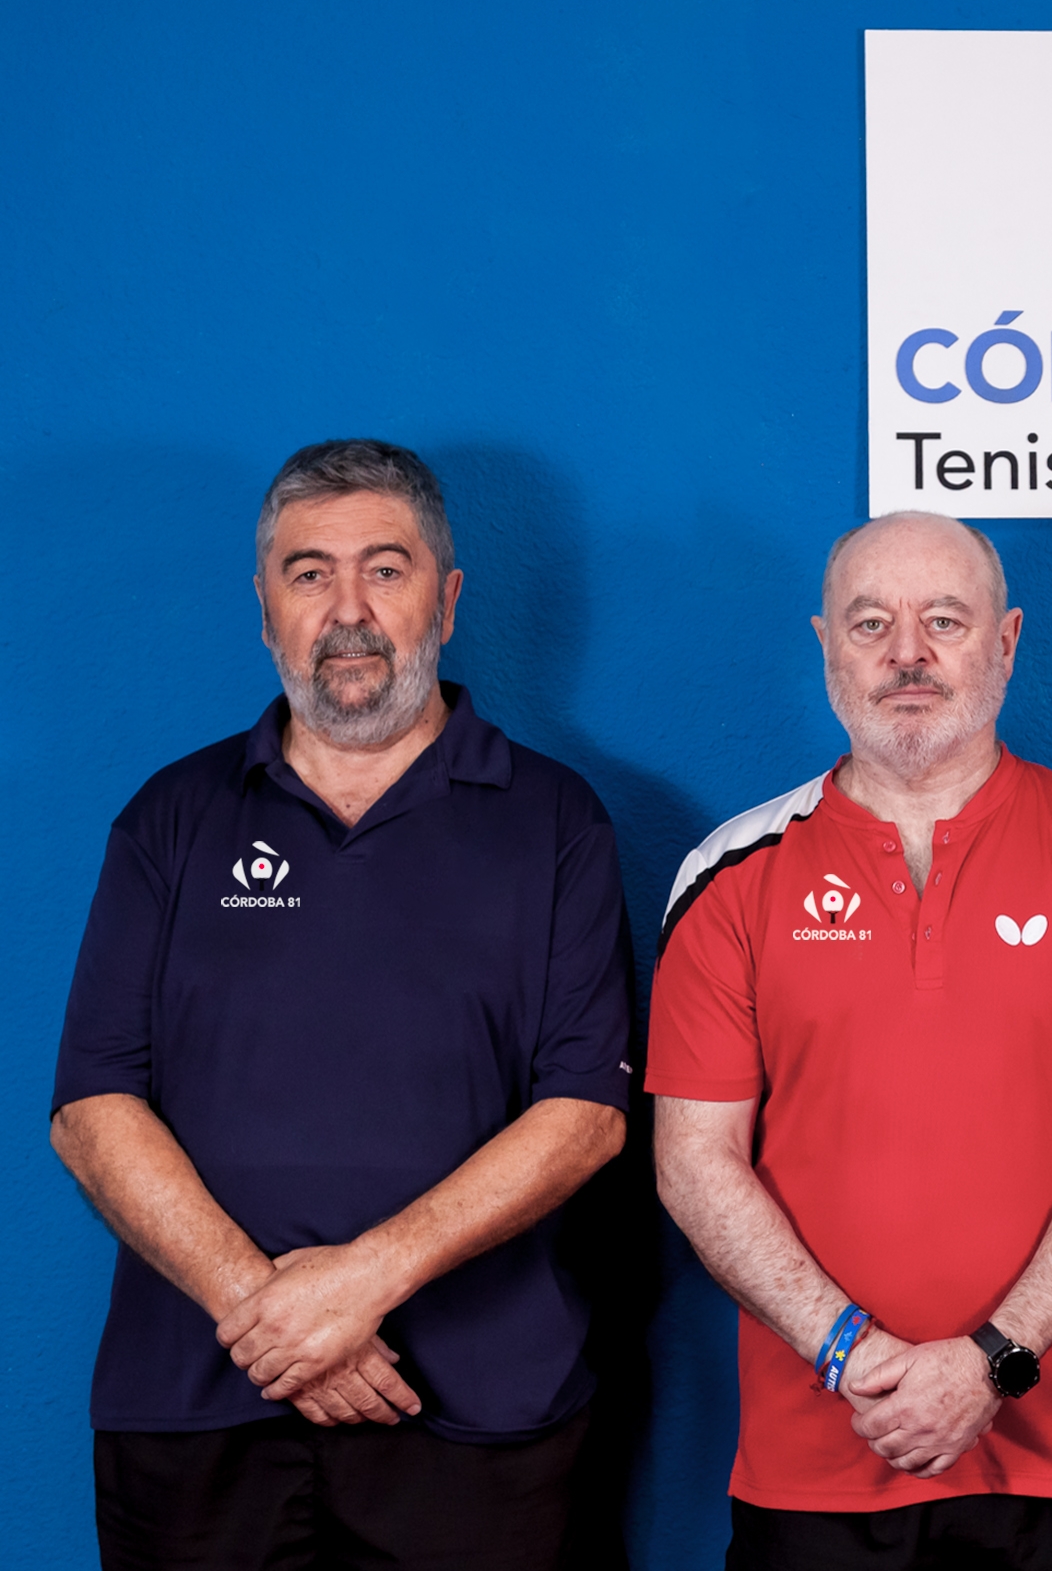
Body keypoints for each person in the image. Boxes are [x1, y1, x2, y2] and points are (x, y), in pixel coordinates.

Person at [50, 440, 635, 1570]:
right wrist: (270, 1316)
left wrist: (361, 1282)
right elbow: (92, 1106)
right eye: (309, 573)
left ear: (446, 601)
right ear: (265, 607)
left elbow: (584, 1116)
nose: (349, 611)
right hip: (196, 1408)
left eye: (385, 569)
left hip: (477, 1414)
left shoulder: (556, 820)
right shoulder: (171, 817)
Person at [649, 510, 1052, 1571]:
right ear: (826, 645)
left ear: (1007, 640)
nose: (907, 652)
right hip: (819, 1454)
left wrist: (992, 1362)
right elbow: (694, 1163)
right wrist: (851, 1355)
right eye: (871, 624)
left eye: (944, 620)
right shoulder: (730, 875)